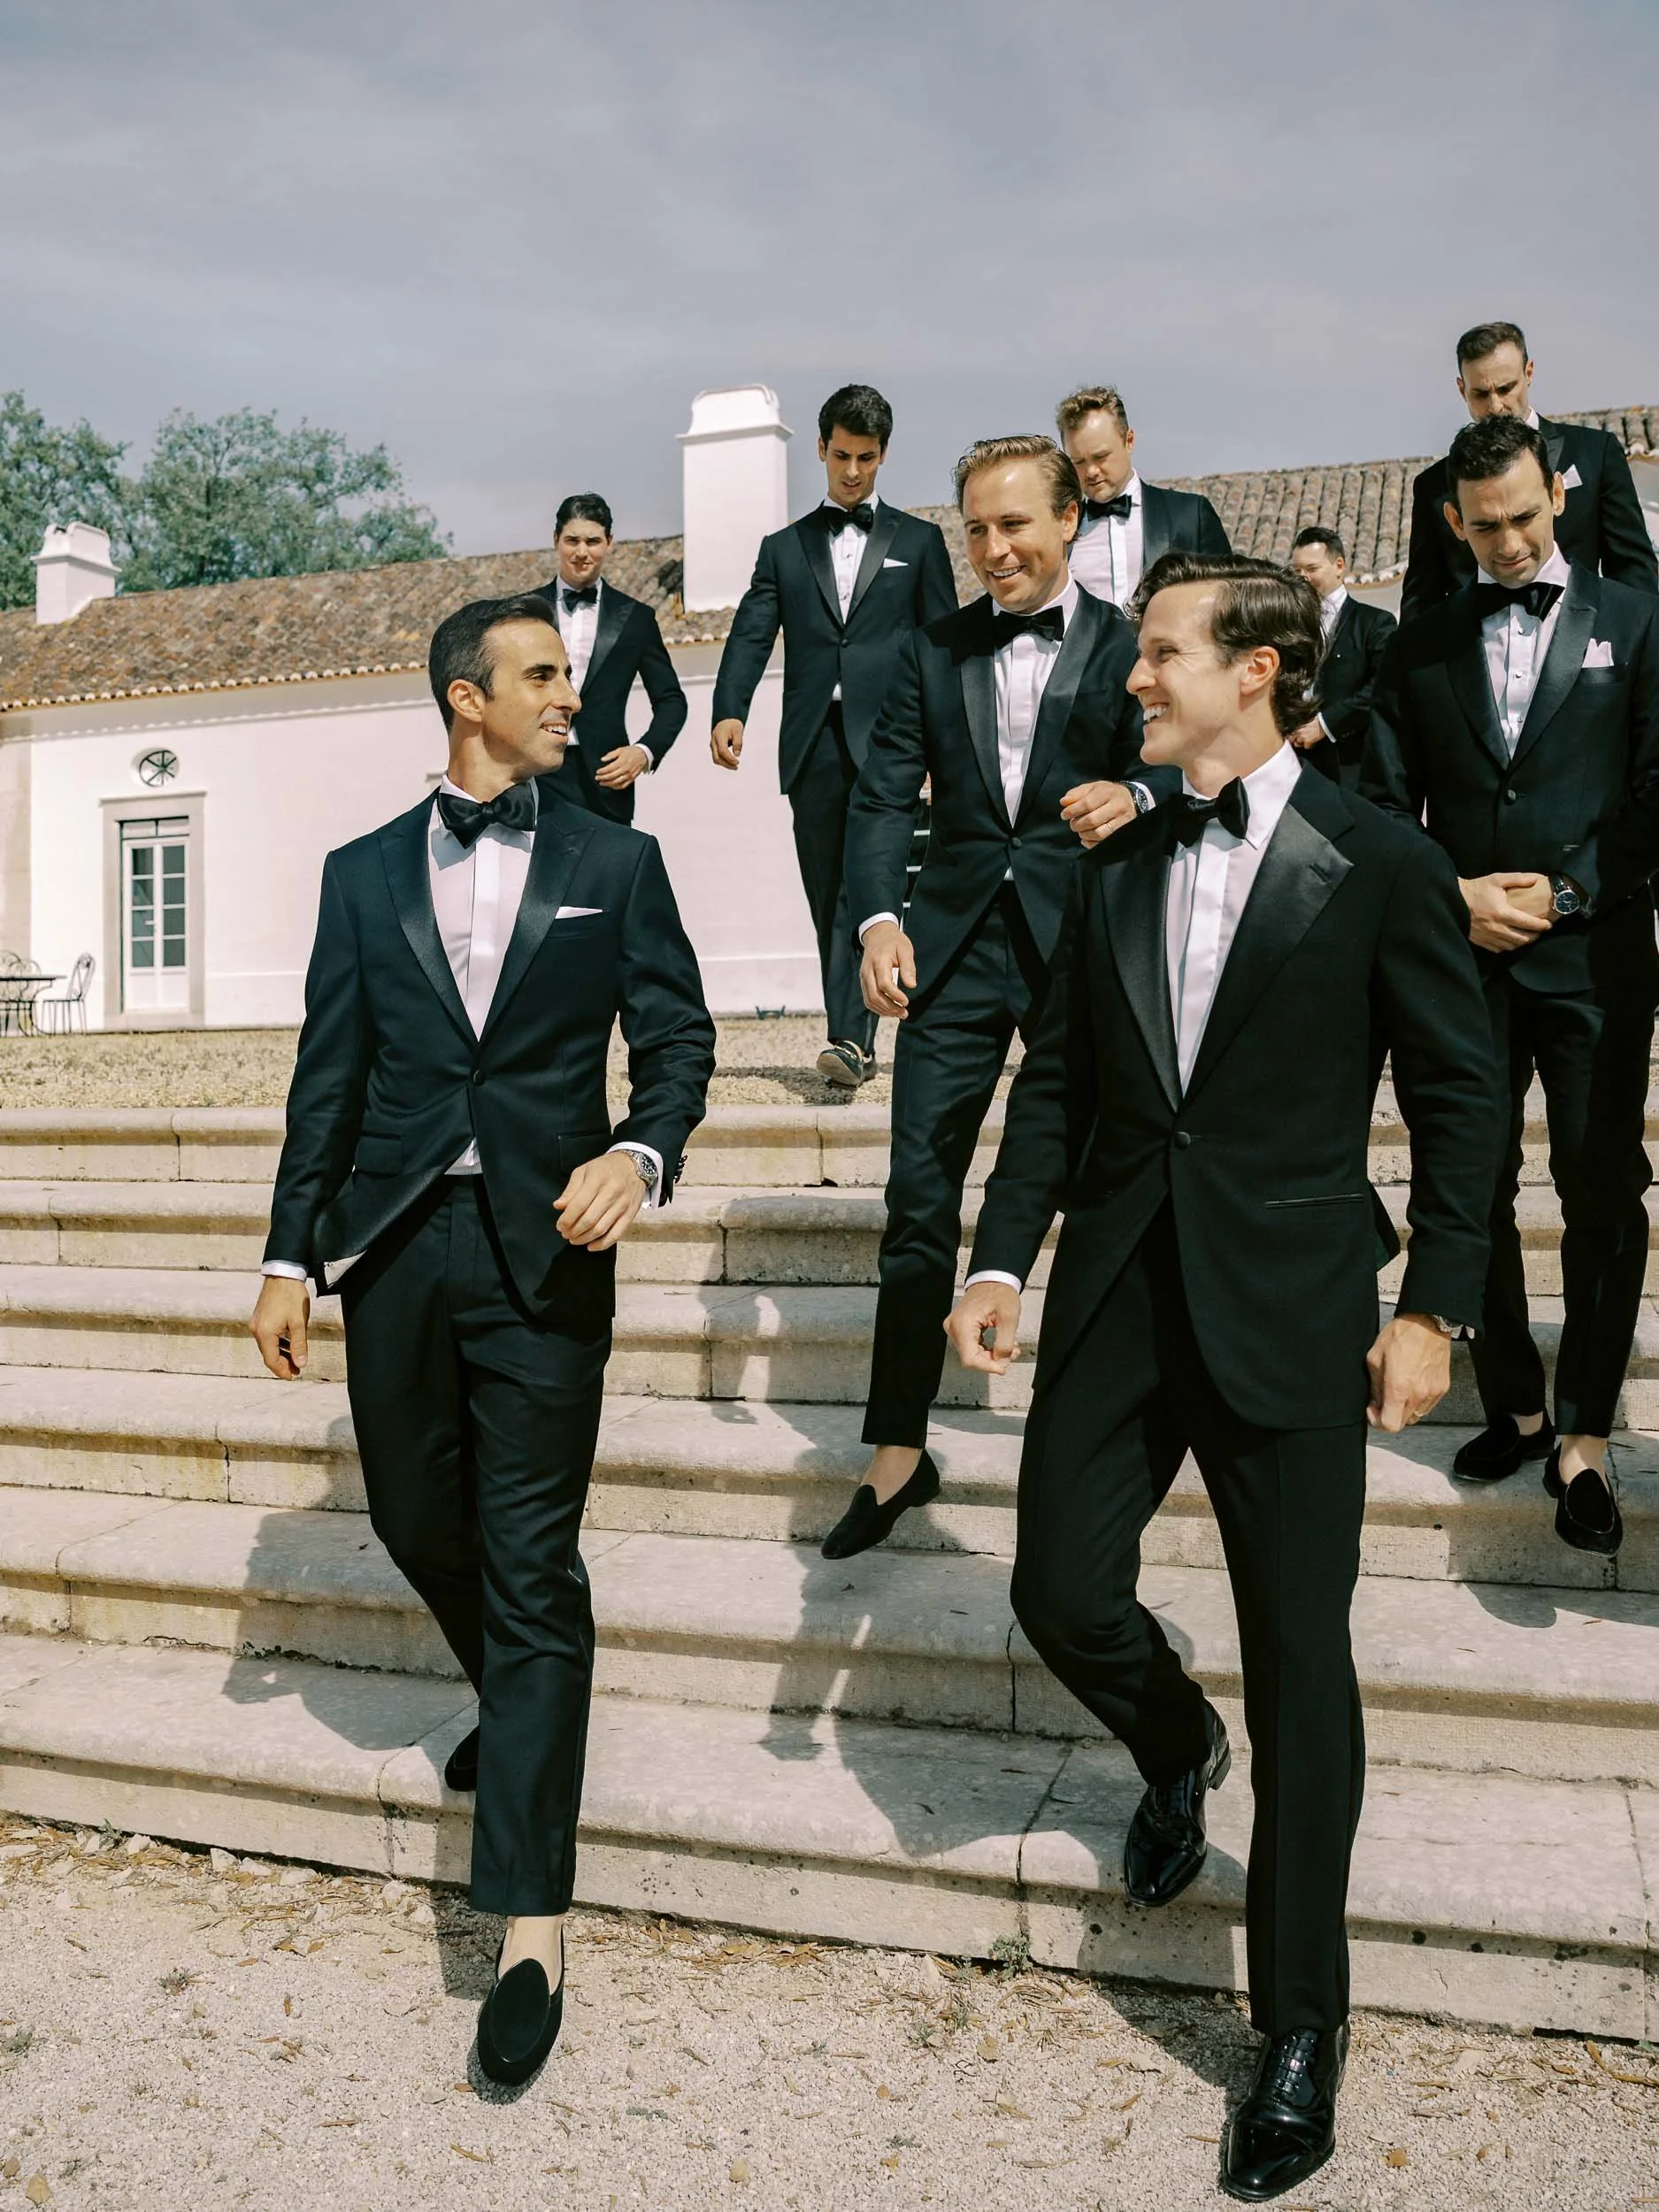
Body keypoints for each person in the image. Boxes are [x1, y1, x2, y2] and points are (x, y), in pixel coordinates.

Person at [947, 552, 1494, 2201]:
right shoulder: (1117, 864)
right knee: (1055, 1586)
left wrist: (1435, 1310)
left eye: (1164, 652)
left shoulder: (1380, 861)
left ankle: (1301, 2029)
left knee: (1303, 1664)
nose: (1136, 679)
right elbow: (1059, 1089)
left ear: (1257, 670)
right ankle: (1176, 1742)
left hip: (1289, 1300)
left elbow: (1464, 1099)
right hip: (1118, 1293)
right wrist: (995, 1255)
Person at [250, 594, 715, 2085]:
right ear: (468, 700)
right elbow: (330, 1073)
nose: (569, 699)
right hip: (392, 1248)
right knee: (408, 1514)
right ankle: (522, 1702)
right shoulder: (361, 874)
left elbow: (682, 1040)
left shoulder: (616, 861)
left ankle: (528, 1924)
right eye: (542, 678)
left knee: (531, 1562)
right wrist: (285, 1255)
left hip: (547, 1252)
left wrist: (639, 1155)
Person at [819, 434, 1176, 1561]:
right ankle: (893, 1450)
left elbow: (1192, 757)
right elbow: (880, 797)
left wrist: (1138, 788)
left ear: (1071, 518)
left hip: (1089, 947)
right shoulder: (933, 649)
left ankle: (1100, 1435)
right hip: (955, 950)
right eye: (975, 527)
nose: (992, 548)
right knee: (917, 1193)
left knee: (1096, 1181)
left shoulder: (1132, 646)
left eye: (1014, 523)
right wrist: (879, 918)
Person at [1364, 413, 1659, 1556]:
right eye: (1482, 526)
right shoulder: (1416, 643)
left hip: (1593, 963)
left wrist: (1570, 893)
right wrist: (1451, 895)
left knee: (1599, 1191)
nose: (1508, 543)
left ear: (1556, 499)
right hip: (1461, 968)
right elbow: (1382, 805)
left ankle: (1582, 1433)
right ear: (1451, 522)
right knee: (1465, 1186)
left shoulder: (1635, 623)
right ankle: (1515, 1402)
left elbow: (1652, 787)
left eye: (1526, 518)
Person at [710, 384, 958, 1087]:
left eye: (867, 459)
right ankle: (854, 1037)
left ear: (883, 456)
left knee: (871, 882)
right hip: (812, 743)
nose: (853, 472)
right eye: (842, 456)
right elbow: (751, 633)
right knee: (829, 892)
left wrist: (945, 746)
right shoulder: (782, 549)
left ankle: (851, 1037)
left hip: (894, 741)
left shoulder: (921, 543)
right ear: (820, 449)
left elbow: (940, 646)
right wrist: (730, 709)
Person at [1401, 321, 1657, 623]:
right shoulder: (1434, 485)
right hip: (1473, 656)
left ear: (1529, 373)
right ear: (1462, 390)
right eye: (1481, 394)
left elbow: (1633, 568)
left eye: (1506, 389)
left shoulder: (1593, 453)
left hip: (1582, 642)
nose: (1495, 406)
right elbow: (1422, 600)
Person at [537, 492, 687, 822]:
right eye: (572, 540)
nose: (581, 552)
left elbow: (672, 701)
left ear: (609, 542)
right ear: (555, 541)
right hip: (536, 775)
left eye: (592, 541)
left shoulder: (636, 618)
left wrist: (644, 752)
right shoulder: (525, 613)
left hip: (607, 777)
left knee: (609, 874)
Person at [1056, 384, 1230, 611]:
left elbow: (1229, 599)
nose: (1091, 472)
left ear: (1129, 441)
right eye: (1078, 462)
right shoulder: (1059, 532)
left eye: (1101, 457)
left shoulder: (1190, 516)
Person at [1286, 526, 1398, 788]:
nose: (1302, 578)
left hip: (1350, 765)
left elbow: (1383, 686)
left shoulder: (1375, 623)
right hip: (1294, 763)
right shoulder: (1288, 626)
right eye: (1296, 571)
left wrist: (1324, 725)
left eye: (1311, 569)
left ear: (1339, 566)